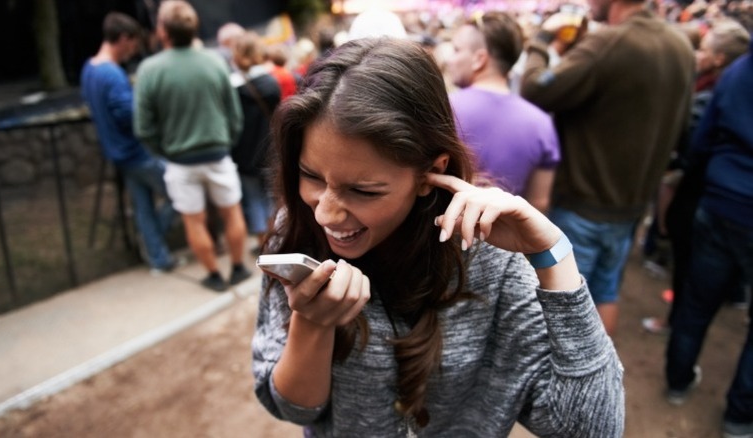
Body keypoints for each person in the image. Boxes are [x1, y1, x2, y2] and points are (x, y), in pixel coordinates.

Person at [251, 37, 624, 437]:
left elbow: (593, 428)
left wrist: (553, 256)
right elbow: (292, 408)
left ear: (430, 173)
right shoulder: (297, 230)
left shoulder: (491, 259)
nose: (324, 212)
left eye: (364, 190)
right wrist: (312, 323)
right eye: (311, 176)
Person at [520, 0, 695, 335]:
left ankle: (566, 385)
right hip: (630, 209)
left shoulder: (610, 42)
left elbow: (535, 88)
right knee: (604, 293)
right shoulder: (680, 46)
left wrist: (541, 40)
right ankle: (601, 380)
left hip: (583, 206)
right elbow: (682, 127)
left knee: (562, 306)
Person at [664, 39, 753, 438]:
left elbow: (702, 140)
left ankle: (678, 380)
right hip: (722, 205)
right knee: (697, 302)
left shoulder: (737, 72)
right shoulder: (738, 70)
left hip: (720, 203)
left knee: (696, 304)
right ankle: (738, 414)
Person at [642, 18, 751, 335]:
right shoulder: (721, 82)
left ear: (718, 58)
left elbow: (697, 143)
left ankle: (679, 357)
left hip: (713, 197)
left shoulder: (724, 85)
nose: (697, 55)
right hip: (726, 198)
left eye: (703, 50)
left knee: (694, 291)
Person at [134, 0, 251, 292]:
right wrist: (227, 141)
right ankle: (238, 268)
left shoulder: (150, 69)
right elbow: (234, 115)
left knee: (194, 220)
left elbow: (143, 127)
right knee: (231, 211)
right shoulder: (215, 62)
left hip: (180, 160)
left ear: (163, 31)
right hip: (218, 153)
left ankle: (213, 275)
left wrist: (166, 151)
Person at [81, 12, 178, 275]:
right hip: (137, 153)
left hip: (118, 154)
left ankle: (158, 258)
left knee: (143, 207)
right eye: (133, 44)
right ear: (123, 39)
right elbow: (131, 116)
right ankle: (153, 244)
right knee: (180, 194)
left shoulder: (89, 69)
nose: (134, 51)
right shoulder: (112, 75)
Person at [447, 11, 560, 213]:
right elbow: (539, 204)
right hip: (508, 240)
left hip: (443, 235)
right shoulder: (541, 123)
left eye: (456, 50)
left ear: (479, 59)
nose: (450, 59)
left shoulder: (441, 110)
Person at [229, 32, 281, 250]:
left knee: (253, 201)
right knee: (272, 199)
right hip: (269, 149)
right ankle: (275, 242)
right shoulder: (271, 83)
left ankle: (262, 244)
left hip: (243, 153)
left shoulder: (232, 88)